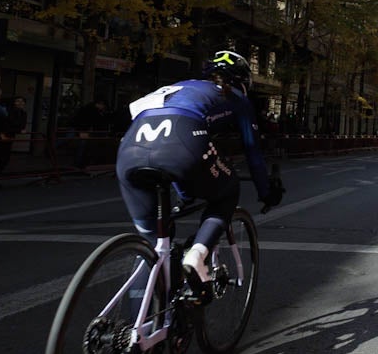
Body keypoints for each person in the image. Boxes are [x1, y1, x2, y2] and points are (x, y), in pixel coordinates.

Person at [115, 51, 284, 296]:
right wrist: (266, 192)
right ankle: (197, 254)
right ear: (242, 82)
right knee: (227, 192)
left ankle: (140, 328)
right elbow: (253, 153)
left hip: (129, 148)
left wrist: (185, 194)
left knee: (153, 244)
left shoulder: (177, 87)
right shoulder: (236, 97)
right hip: (183, 141)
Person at [0, 95, 28, 178]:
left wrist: (17, 129)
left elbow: (22, 126)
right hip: (2, 136)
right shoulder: (9, 111)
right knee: (0, 157)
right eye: (18, 101)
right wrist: (18, 129)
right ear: (14, 103)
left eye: (22, 101)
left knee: (5, 158)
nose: (20, 103)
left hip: (10, 136)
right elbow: (8, 124)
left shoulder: (23, 113)